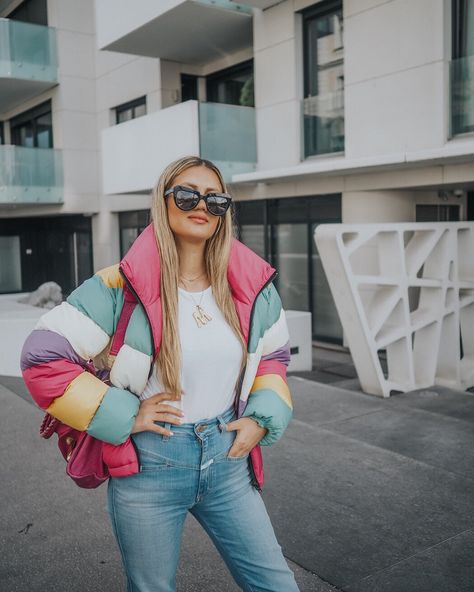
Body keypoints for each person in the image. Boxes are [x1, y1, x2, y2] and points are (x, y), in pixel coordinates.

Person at [21, 155, 300, 592]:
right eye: (187, 194)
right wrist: (122, 414)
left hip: (228, 461)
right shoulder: (119, 285)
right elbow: (43, 357)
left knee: (276, 585)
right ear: (163, 201)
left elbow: (273, 356)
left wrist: (262, 420)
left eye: (215, 199)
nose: (201, 206)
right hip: (151, 464)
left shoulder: (252, 288)